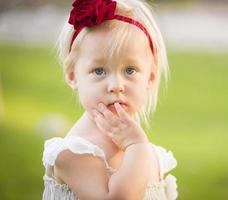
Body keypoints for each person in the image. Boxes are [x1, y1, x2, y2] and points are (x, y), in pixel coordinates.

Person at [42, 0, 178, 199]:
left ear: (150, 77)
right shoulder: (76, 152)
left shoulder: (141, 147)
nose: (116, 85)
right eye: (99, 71)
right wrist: (136, 145)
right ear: (73, 76)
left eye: (130, 70)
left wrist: (136, 145)